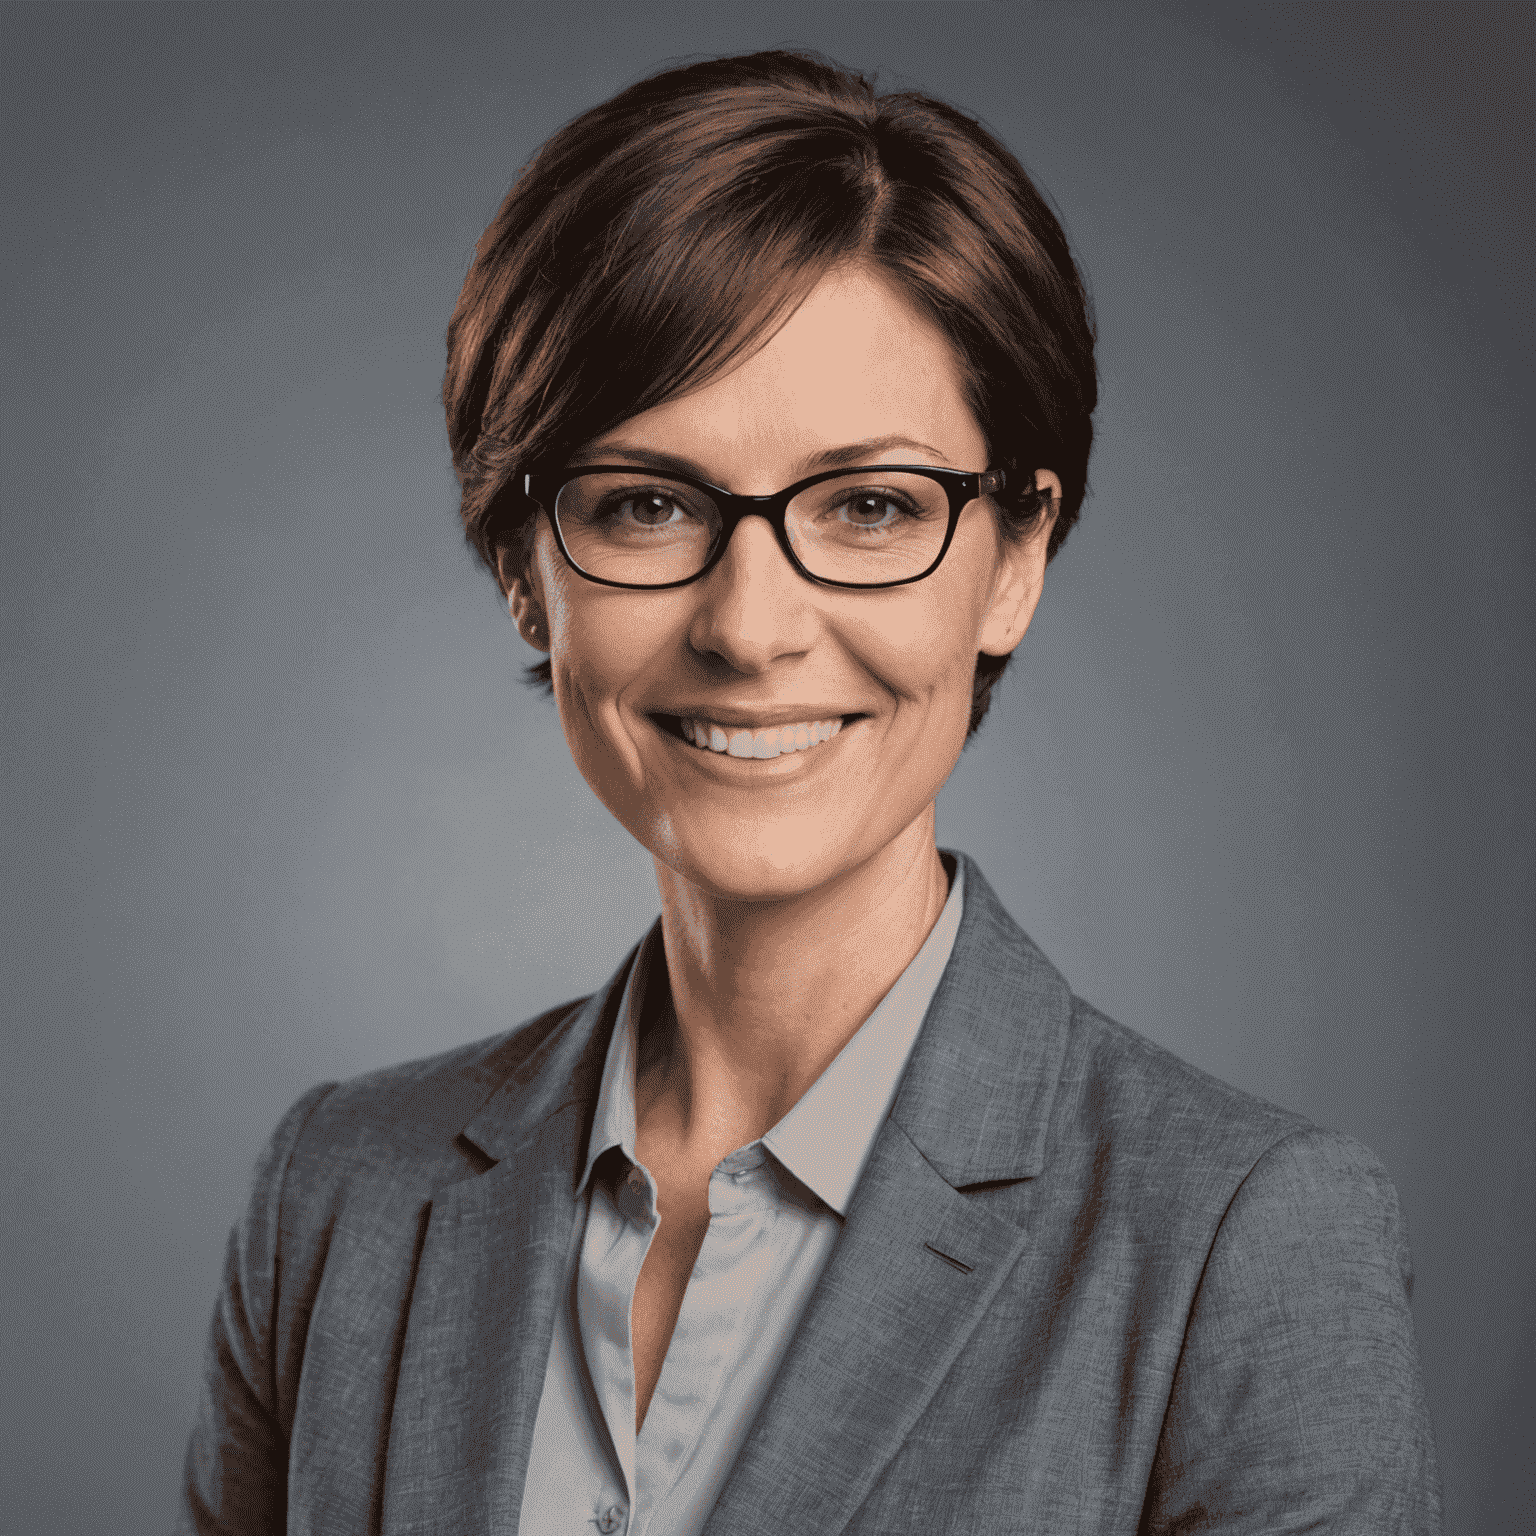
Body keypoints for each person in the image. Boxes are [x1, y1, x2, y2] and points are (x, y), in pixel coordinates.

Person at [178, 49, 1441, 1535]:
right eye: (648, 503)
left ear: (1016, 558)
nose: (751, 624)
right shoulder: (336, 1197)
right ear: (526, 568)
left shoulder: (1242, 1241)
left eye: (870, 507)